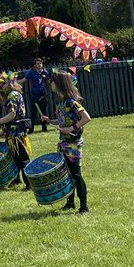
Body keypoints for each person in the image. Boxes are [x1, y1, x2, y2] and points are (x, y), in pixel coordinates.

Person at [50, 71, 91, 213]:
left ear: (59, 84)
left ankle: (84, 206)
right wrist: (50, 120)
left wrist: (72, 128)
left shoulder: (71, 101)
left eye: (52, 81)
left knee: (76, 174)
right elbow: (62, 120)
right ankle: (70, 202)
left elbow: (86, 117)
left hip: (73, 143)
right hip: (63, 142)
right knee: (65, 173)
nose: (51, 84)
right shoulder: (61, 102)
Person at [0, 74, 33, 189]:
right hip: (12, 132)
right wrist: (4, 129)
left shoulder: (13, 95)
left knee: (22, 158)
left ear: (9, 83)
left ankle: (29, 183)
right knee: (14, 157)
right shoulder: (11, 94)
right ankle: (16, 179)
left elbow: (12, 115)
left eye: (1, 84)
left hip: (17, 133)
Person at [24, 58, 50, 131]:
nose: (39, 65)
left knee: (44, 112)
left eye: (40, 63)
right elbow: (24, 80)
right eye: (38, 64)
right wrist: (14, 82)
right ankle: (31, 129)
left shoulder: (45, 72)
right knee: (33, 113)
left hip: (43, 95)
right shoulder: (31, 73)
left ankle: (44, 128)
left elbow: (49, 81)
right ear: (35, 65)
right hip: (34, 95)